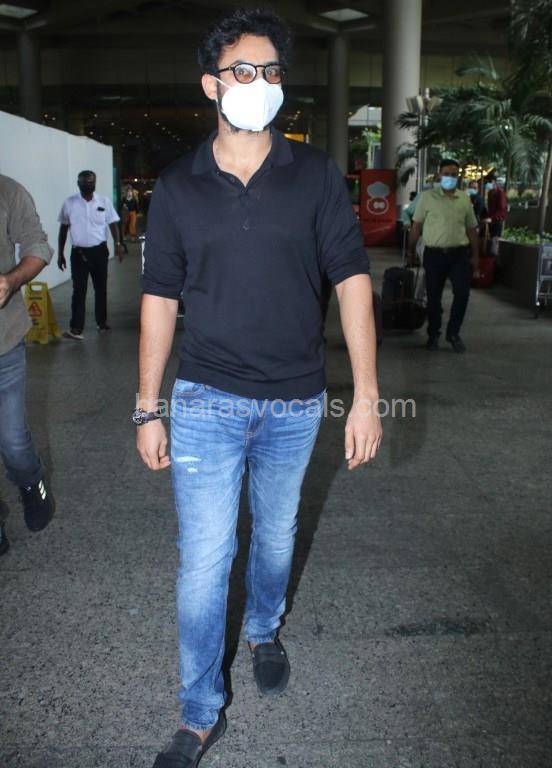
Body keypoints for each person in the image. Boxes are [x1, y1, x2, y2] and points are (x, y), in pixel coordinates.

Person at [136, 8, 382, 768]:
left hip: (294, 400)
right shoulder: (177, 187)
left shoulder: (314, 176)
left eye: (272, 71)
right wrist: (147, 406)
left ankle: (265, 628)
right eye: (244, 70)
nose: (261, 83)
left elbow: (352, 281)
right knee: (205, 559)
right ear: (211, 84)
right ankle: (199, 712)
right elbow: (159, 301)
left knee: (275, 536)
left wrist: (366, 393)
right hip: (205, 398)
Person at [0, 174, 56, 555]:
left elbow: (37, 246)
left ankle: (32, 482)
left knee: (14, 443)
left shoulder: (8, 191)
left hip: (4, 343)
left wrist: (11, 280)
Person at [408, 159, 479, 353]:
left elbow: (471, 229)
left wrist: (476, 256)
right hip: (434, 255)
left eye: (454, 174)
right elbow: (416, 226)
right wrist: (410, 250)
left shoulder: (464, 199)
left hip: (459, 255)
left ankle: (453, 333)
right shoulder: (427, 198)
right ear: (439, 175)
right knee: (433, 297)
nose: (450, 178)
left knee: (462, 293)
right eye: (447, 174)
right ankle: (433, 334)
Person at [57, 171, 122, 340]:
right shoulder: (69, 203)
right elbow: (63, 229)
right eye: (84, 182)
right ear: (78, 184)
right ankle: (76, 328)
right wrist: (60, 253)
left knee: (101, 288)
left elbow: (113, 224)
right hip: (78, 253)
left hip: (99, 252)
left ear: (95, 183)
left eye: (91, 182)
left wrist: (118, 244)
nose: (88, 185)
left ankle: (102, 322)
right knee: (79, 290)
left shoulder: (104, 202)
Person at [485, 175, 508, 239]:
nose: (487, 184)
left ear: (494, 182)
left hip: (498, 220)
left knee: (495, 239)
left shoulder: (500, 193)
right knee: (490, 238)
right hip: (491, 220)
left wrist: (492, 218)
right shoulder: (490, 193)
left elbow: (502, 209)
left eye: (489, 182)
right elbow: (489, 207)